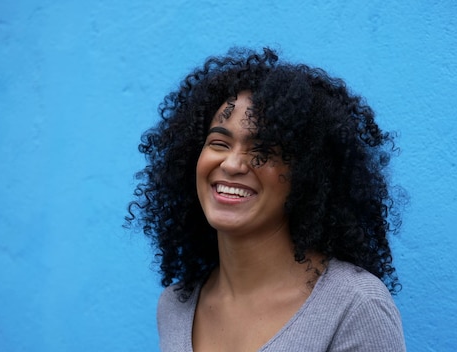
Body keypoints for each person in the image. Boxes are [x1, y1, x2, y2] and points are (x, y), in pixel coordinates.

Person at [127, 47, 406, 351]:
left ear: (308, 176)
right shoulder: (175, 306)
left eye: (263, 151)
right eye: (219, 143)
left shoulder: (355, 306)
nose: (232, 164)